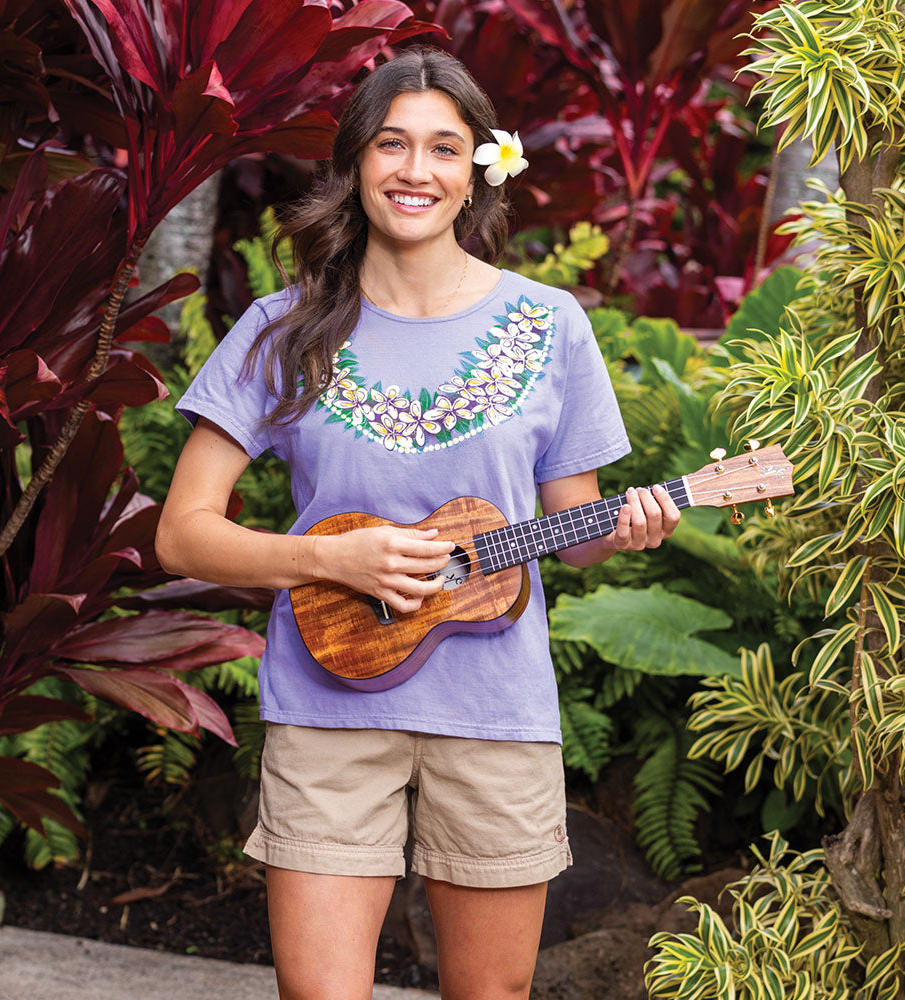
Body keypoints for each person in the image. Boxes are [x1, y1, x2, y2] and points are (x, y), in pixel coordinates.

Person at [156, 46, 679, 1000]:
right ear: (356, 161)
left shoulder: (549, 324)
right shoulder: (286, 326)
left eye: (445, 148)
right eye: (392, 143)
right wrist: (332, 559)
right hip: (326, 708)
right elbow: (184, 533)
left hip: (495, 715)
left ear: (478, 167)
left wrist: (629, 526)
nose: (415, 170)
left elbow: (572, 525)